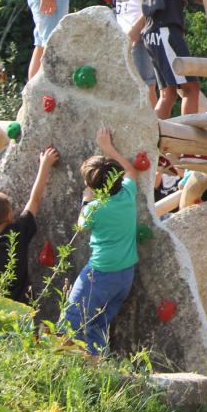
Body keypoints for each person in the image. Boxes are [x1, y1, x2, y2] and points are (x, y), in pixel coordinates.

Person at [63, 129, 140, 358]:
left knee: (72, 320)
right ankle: (96, 369)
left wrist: (86, 199)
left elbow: (81, 225)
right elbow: (131, 171)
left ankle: (66, 366)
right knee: (97, 325)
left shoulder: (94, 209)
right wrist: (109, 148)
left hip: (100, 274)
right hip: (125, 275)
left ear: (95, 188)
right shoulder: (127, 194)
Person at [0, 147, 59, 304]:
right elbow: (35, 199)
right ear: (9, 216)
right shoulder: (17, 233)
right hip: (19, 307)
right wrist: (45, 165)